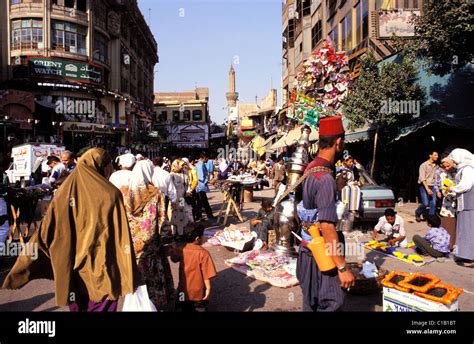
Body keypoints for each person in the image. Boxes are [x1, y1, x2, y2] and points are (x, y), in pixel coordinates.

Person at [2, 148, 141, 312]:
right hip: (103, 268)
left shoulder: (63, 193)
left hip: (73, 269)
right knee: (102, 302)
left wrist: (26, 263)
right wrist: (126, 270)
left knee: (78, 305)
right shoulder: (111, 194)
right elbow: (120, 236)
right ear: (101, 165)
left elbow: (46, 231)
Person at [297, 115, 355, 312]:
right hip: (323, 256)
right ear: (338, 142)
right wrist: (342, 267)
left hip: (307, 251)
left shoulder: (312, 168)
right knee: (331, 304)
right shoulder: (325, 179)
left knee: (310, 303)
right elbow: (327, 226)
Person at [123, 159, 175, 310]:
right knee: (153, 277)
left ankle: (135, 304)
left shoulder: (123, 194)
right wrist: (167, 241)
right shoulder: (156, 193)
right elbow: (162, 219)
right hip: (151, 245)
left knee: (135, 275)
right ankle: (153, 303)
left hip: (130, 245)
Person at [170, 223, 217, 312]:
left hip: (182, 290)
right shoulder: (203, 253)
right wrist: (208, 288)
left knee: (182, 304)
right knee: (199, 307)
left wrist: (173, 249)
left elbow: (173, 259)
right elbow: (206, 275)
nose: (203, 238)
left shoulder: (180, 249)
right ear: (197, 239)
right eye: (202, 236)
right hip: (198, 292)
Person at [444, 149, 474, 268]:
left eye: (454, 159)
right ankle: (465, 254)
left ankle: (471, 258)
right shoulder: (463, 168)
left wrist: (452, 188)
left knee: (469, 230)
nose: (453, 162)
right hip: (464, 204)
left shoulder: (468, 168)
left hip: (470, 203)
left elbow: (466, 185)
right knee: (464, 230)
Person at [436, 158, 457, 250]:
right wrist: (453, 191)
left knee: (455, 225)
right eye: (444, 166)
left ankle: (454, 244)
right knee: (448, 224)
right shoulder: (443, 175)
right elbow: (445, 191)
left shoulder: (459, 173)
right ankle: (447, 245)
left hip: (458, 203)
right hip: (448, 204)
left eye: (448, 165)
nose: (446, 167)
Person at [169, 159, 193, 237]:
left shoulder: (184, 173)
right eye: (182, 165)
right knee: (173, 215)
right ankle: (173, 233)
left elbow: (188, 184)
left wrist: (188, 191)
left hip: (182, 198)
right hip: (173, 199)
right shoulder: (171, 175)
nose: (183, 167)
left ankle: (181, 233)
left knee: (182, 214)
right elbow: (170, 188)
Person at [415, 151, 439, 222]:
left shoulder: (437, 166)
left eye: (437, 155)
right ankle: (418, 212)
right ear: (430, 155)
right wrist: (427, 189)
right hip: (424, 185)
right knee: (425, 203)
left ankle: (431, 219)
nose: (437, 156)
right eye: (435, 155)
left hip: (433, 185)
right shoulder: (424, 165)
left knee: (433, 203)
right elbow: (422, 178)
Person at [195, 153, 216, 220]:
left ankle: (200, 216)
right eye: (207, 158)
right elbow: (201, 177)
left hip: (202, 186)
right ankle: (206, 216)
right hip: (200, 187)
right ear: (204, 158)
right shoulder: (200, 165)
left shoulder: (201, 164)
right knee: (203, 202)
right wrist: (209, 181)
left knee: (202, 202)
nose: (207, 160)